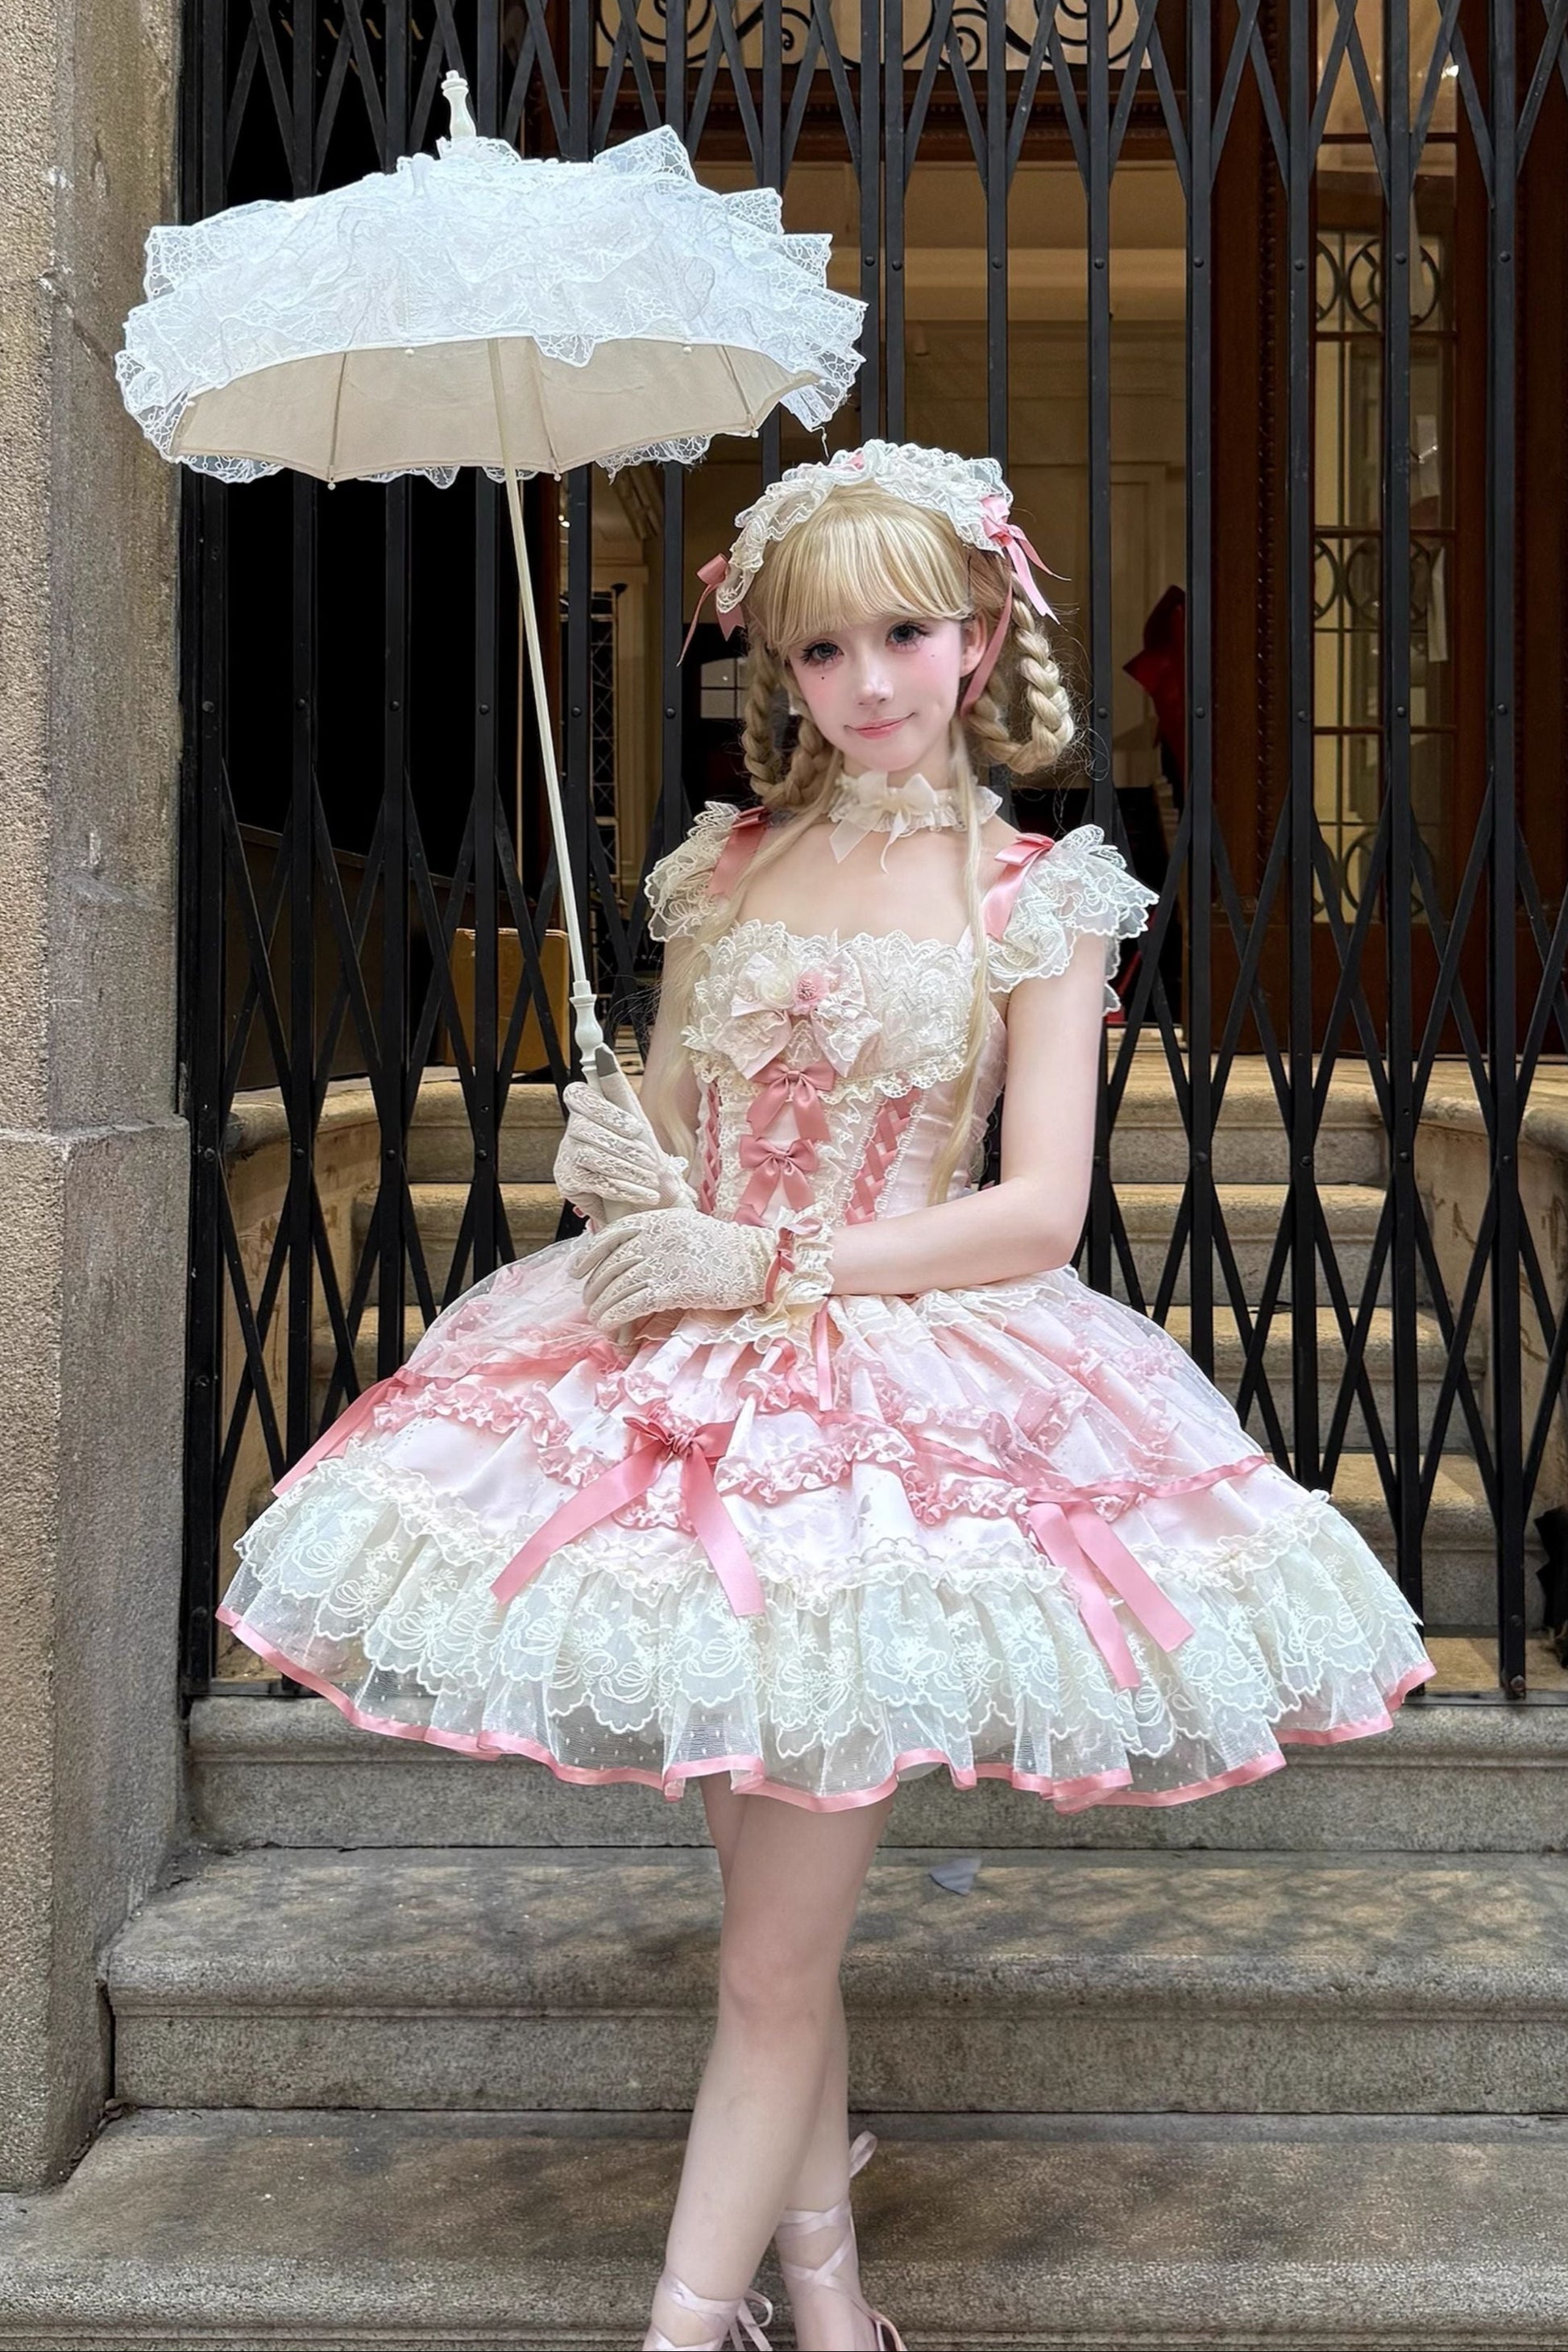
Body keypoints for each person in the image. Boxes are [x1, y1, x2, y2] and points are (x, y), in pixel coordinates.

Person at [217, 439, 1437, 2352]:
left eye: (903, 635)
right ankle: (831, 2297)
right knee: (769, 1927)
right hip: (674, 1399)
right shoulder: (723, 869)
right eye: (819, 648)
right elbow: (673, 1134)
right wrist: (624, 1169)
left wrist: (769, 1257)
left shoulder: (1040, 895)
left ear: (978, 638)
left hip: (896, 1405)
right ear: (776, 666)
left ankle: (685, 2326)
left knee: (771, 1955)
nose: (866, 681)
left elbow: (1034, 1213)